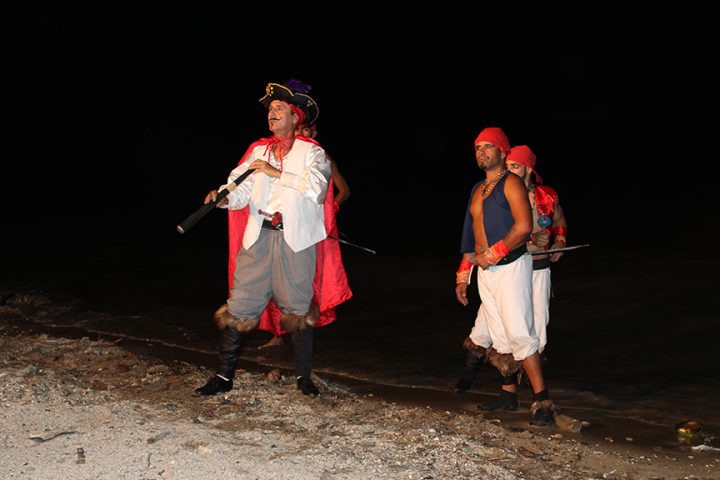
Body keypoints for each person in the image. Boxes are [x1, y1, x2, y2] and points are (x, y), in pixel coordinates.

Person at [194, 80, 352, 397]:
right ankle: (223, 378)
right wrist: (223, 197)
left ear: (296, 117)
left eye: (279, 109)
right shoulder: (257, 150)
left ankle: (303, 378)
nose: (272, 114)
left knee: (298, 310)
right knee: (240, 305)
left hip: (296, 242)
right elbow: (239, 190)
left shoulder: (313, 153)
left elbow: (317, 189)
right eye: (270, 110)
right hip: (259, 238)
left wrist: (276, 173)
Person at [454, 127, 556, 426]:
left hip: (511, 266)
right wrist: (463, 275)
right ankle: (509, 397)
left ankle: (543, 401)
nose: (481, 152)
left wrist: (494, 253)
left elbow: (524, 227)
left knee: (520, 333)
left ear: (502, 152)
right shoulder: (477, 189)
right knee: (500, 337)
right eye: (477, 148)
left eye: (488, 147)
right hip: (486, 272)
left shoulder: (511, 183)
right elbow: (469, 236)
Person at [256, 104, 351, 351]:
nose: (304, 134)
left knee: (302, 286)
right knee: (270, 282)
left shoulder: (321, 156)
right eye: (301, 131)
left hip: (308, 226)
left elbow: (342, 191)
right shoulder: (276, 151)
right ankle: (277, 333)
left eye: (307, 131)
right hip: (277, 226)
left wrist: (333, 206)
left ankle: (302, 351)